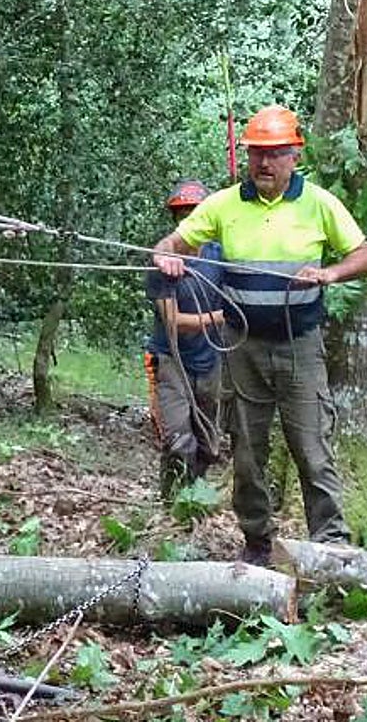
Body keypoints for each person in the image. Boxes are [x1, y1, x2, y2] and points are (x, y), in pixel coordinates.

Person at [152, 105, 367, 566]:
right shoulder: (223, 204)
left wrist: (330, 274)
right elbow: (173, 242)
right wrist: (167, 254)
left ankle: (330, 548)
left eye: (275, 153)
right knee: (247, 451)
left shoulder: (318, 202)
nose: (264, 163)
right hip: (243, 344)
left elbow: (365, 255)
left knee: (312, 446)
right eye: (257, 153)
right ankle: (257, 543)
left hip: (300, 344)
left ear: (295, 155)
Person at [144, 180, 226, 500]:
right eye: (183, 214)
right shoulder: (162, 263)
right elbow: (174, 323)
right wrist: (224, 316)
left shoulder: (220, 256)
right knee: (179, 440)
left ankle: (194, 498)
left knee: (208, 444)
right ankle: (171, 502)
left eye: (196, 213)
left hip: (210, 361)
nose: (189, 219)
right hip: (170, 360)